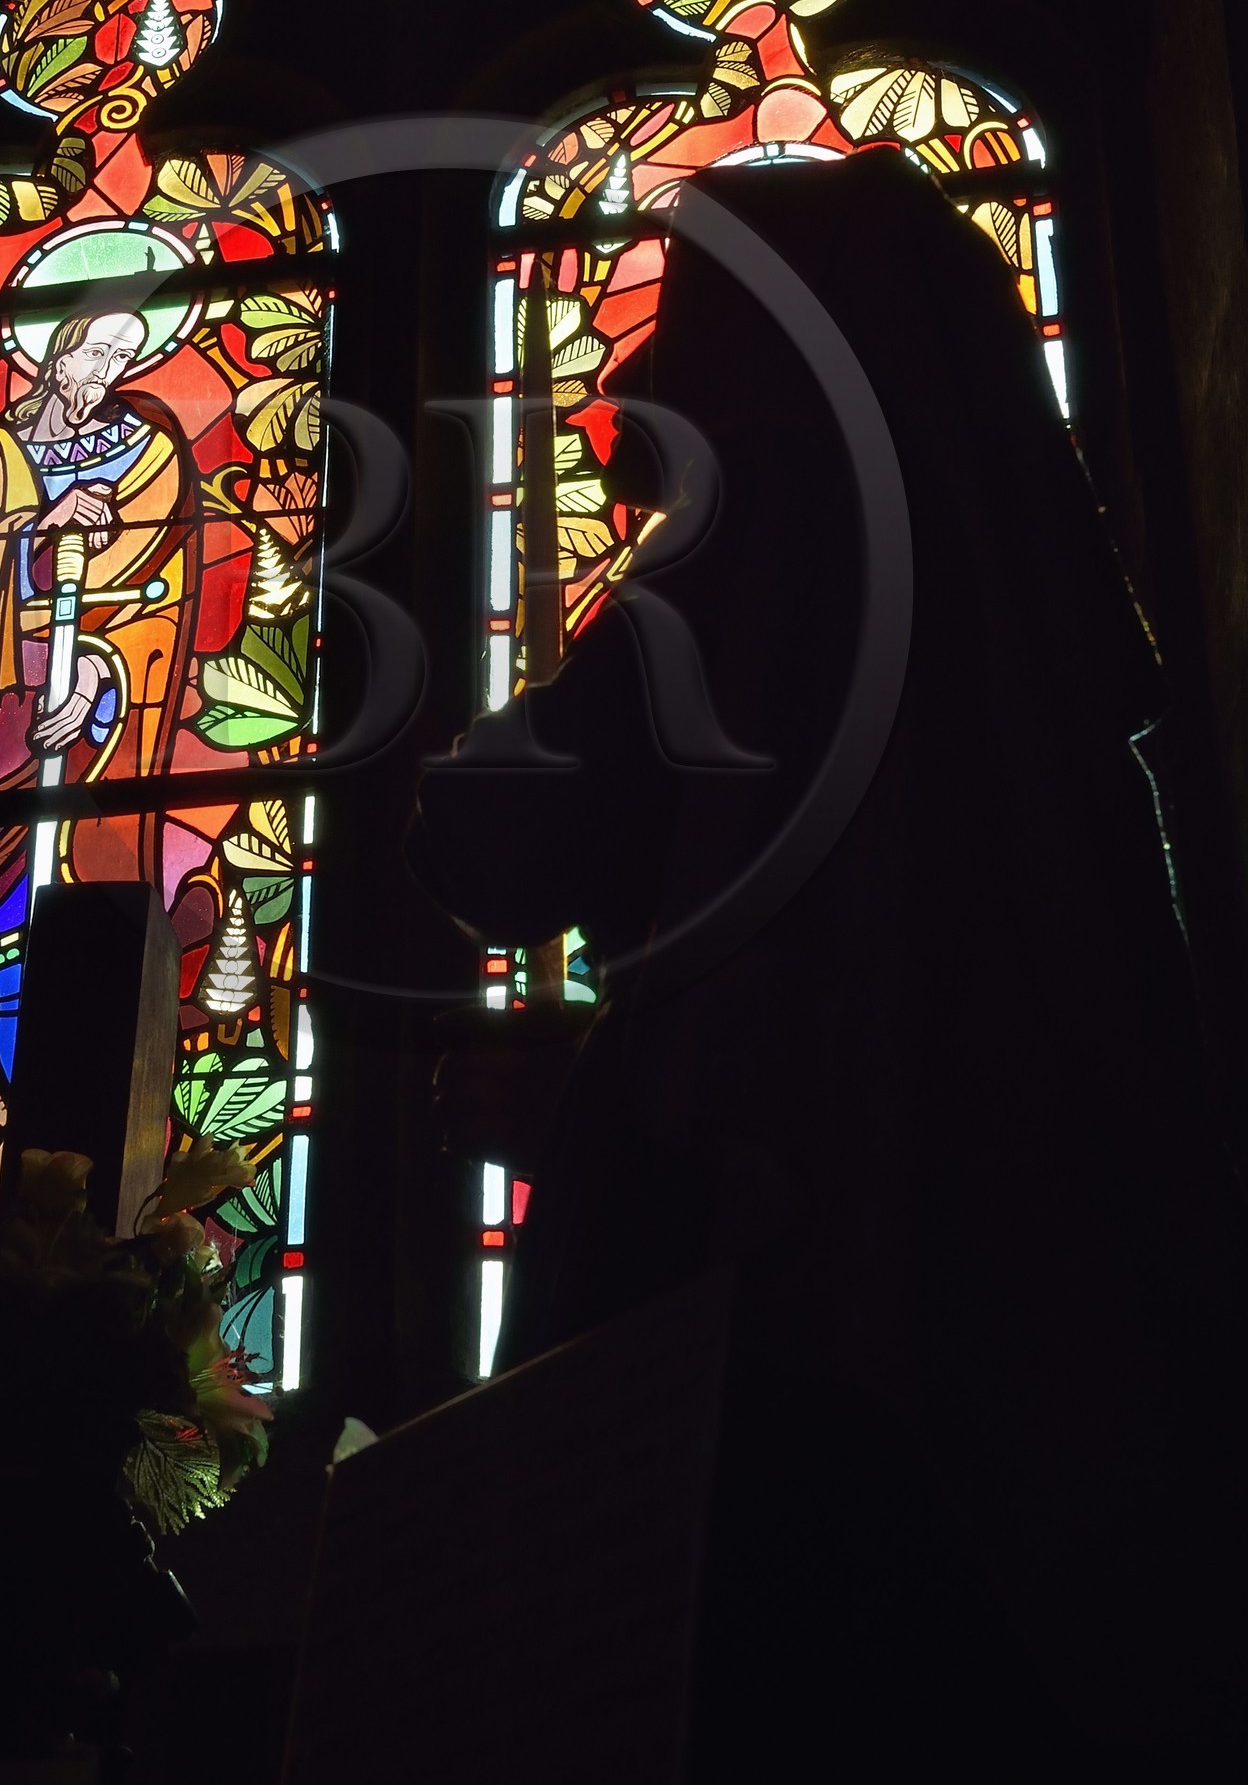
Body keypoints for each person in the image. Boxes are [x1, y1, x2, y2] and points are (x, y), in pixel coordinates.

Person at [414, 150, 1248, 1760]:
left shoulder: (783, 509)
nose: (657, 358)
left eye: (697, 306)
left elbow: (498, 848)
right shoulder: (1000, 586)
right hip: (1038, 1313)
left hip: (780, 1317)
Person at [0, 306, 199, 1183]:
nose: (107, 368)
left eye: (123, 356)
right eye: (96, 350)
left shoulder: (152, 455)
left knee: (79, 925)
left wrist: (100, 680)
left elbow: (162, 600)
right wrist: (26, 539)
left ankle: (58, 1161)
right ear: (59, 355)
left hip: (85, 735)